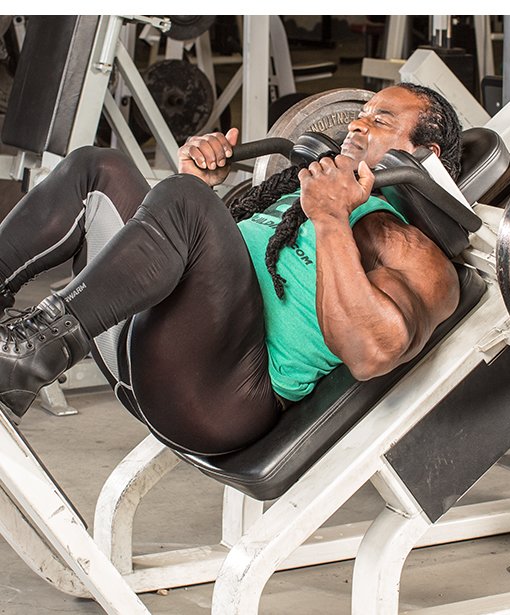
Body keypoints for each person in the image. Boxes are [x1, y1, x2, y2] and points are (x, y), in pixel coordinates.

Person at [0, 83, 462, 456]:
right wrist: (195, 186)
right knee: (98, 166)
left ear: (427, 155)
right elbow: (218, 266)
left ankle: (27, 356)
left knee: (187, 201)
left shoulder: (415, 251)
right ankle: (22, 342)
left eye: (381, 120)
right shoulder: (311, 191)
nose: (359, 121)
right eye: (363, 112)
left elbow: (372, 356)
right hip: (151, 345)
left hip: (218, 397)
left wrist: (330, 219)